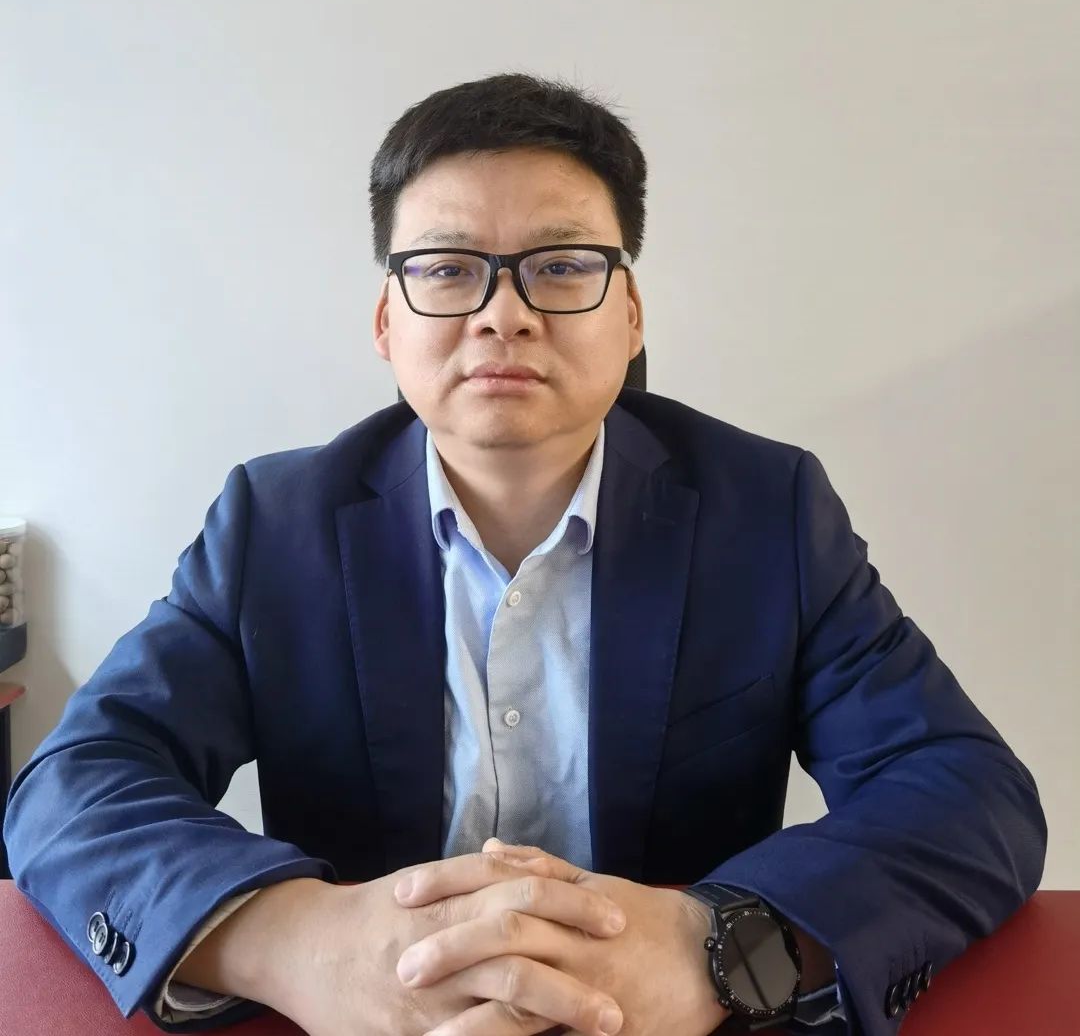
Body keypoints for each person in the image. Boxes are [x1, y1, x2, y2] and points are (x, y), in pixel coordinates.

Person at [4, 72, 1046, 1036]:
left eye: (560, 266)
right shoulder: (275, 527)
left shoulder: (765, 513)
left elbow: (966, 790)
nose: (504, 314)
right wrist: (297, 942)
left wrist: (721, 947)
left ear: (630, 312)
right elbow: (76, 782)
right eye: (448, 269)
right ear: (387, 318)